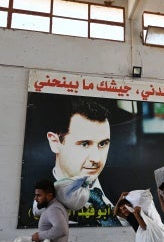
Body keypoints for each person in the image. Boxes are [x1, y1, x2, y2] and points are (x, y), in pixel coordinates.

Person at [31, 96, 121, 227]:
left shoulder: (127, 184)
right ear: (55, 142)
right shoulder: (37, 196)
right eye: (84, 144)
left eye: (102, 144)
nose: (96, 158)